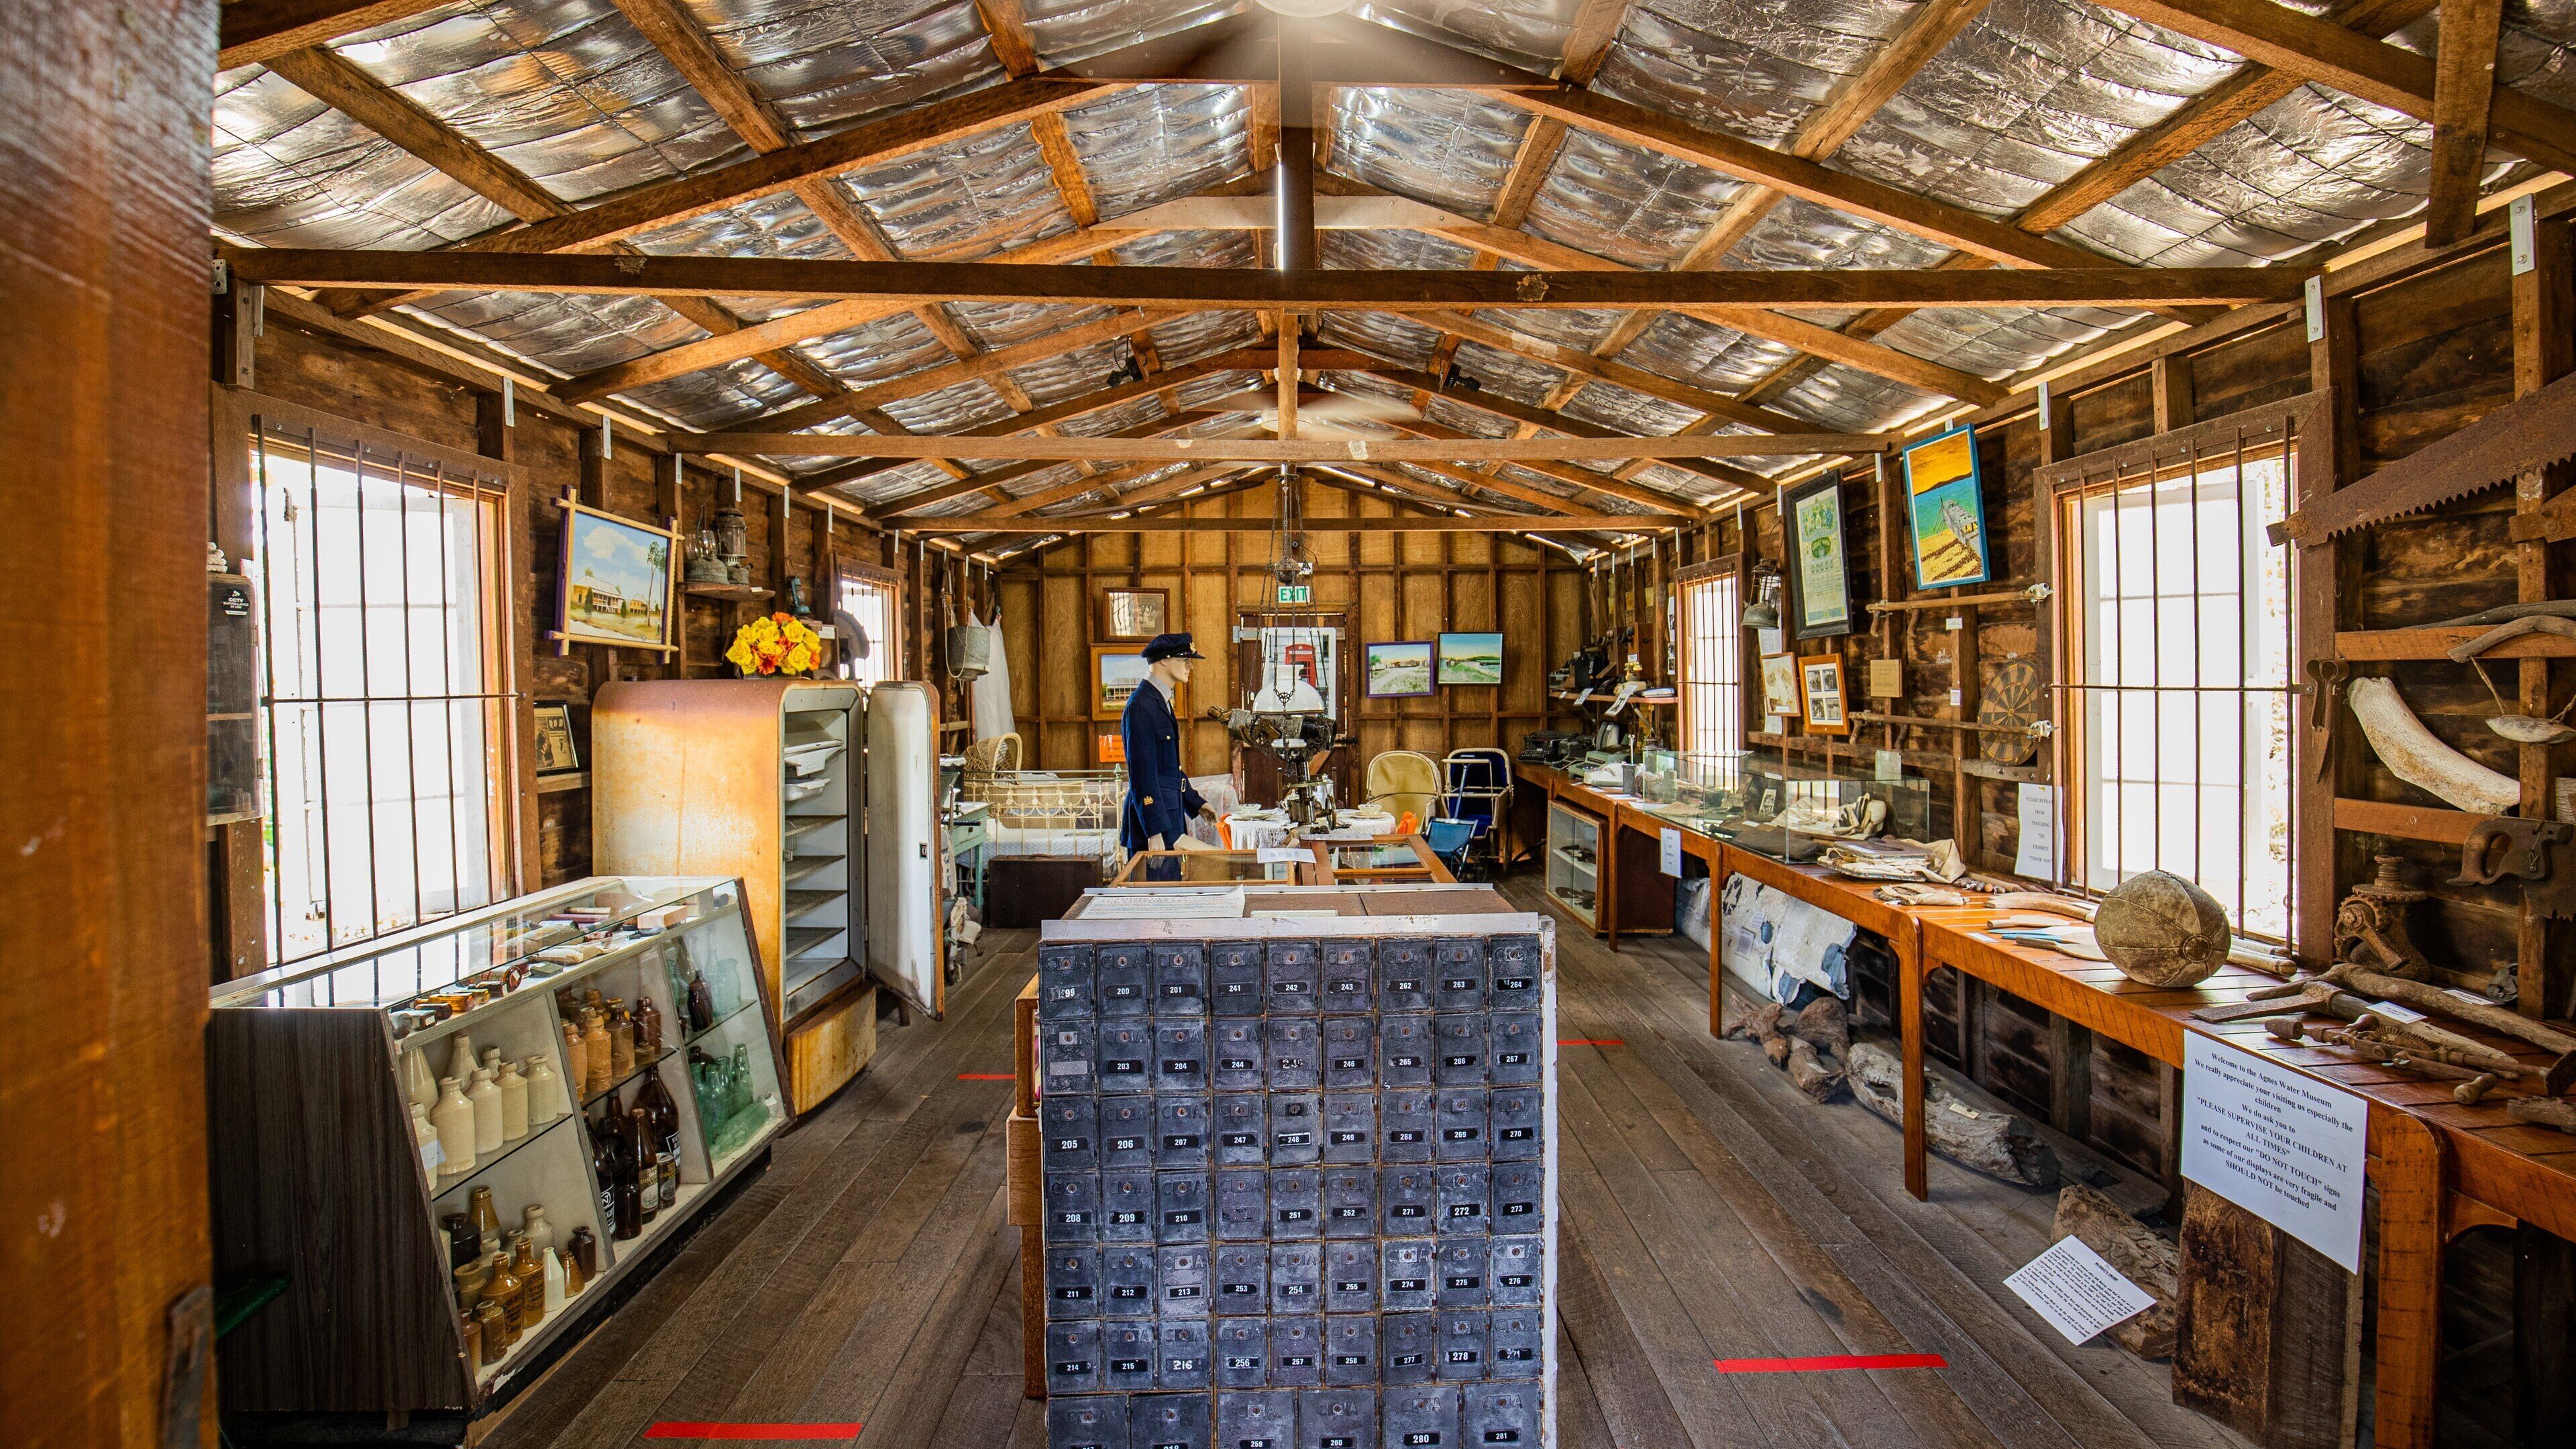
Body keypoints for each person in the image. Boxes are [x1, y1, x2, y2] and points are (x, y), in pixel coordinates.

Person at [1119, 632, 1216, 880]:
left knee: (1169, 889)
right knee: (1152, 897)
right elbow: (1143, 776)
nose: (1190, 666)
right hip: (1153, 825)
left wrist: (1196, 802)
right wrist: (1154, 832)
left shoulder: (1160, 701)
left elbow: (1169, 769)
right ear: (1164, 660)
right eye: (1185, 660)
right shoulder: (1141, 705)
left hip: (1168, 818)